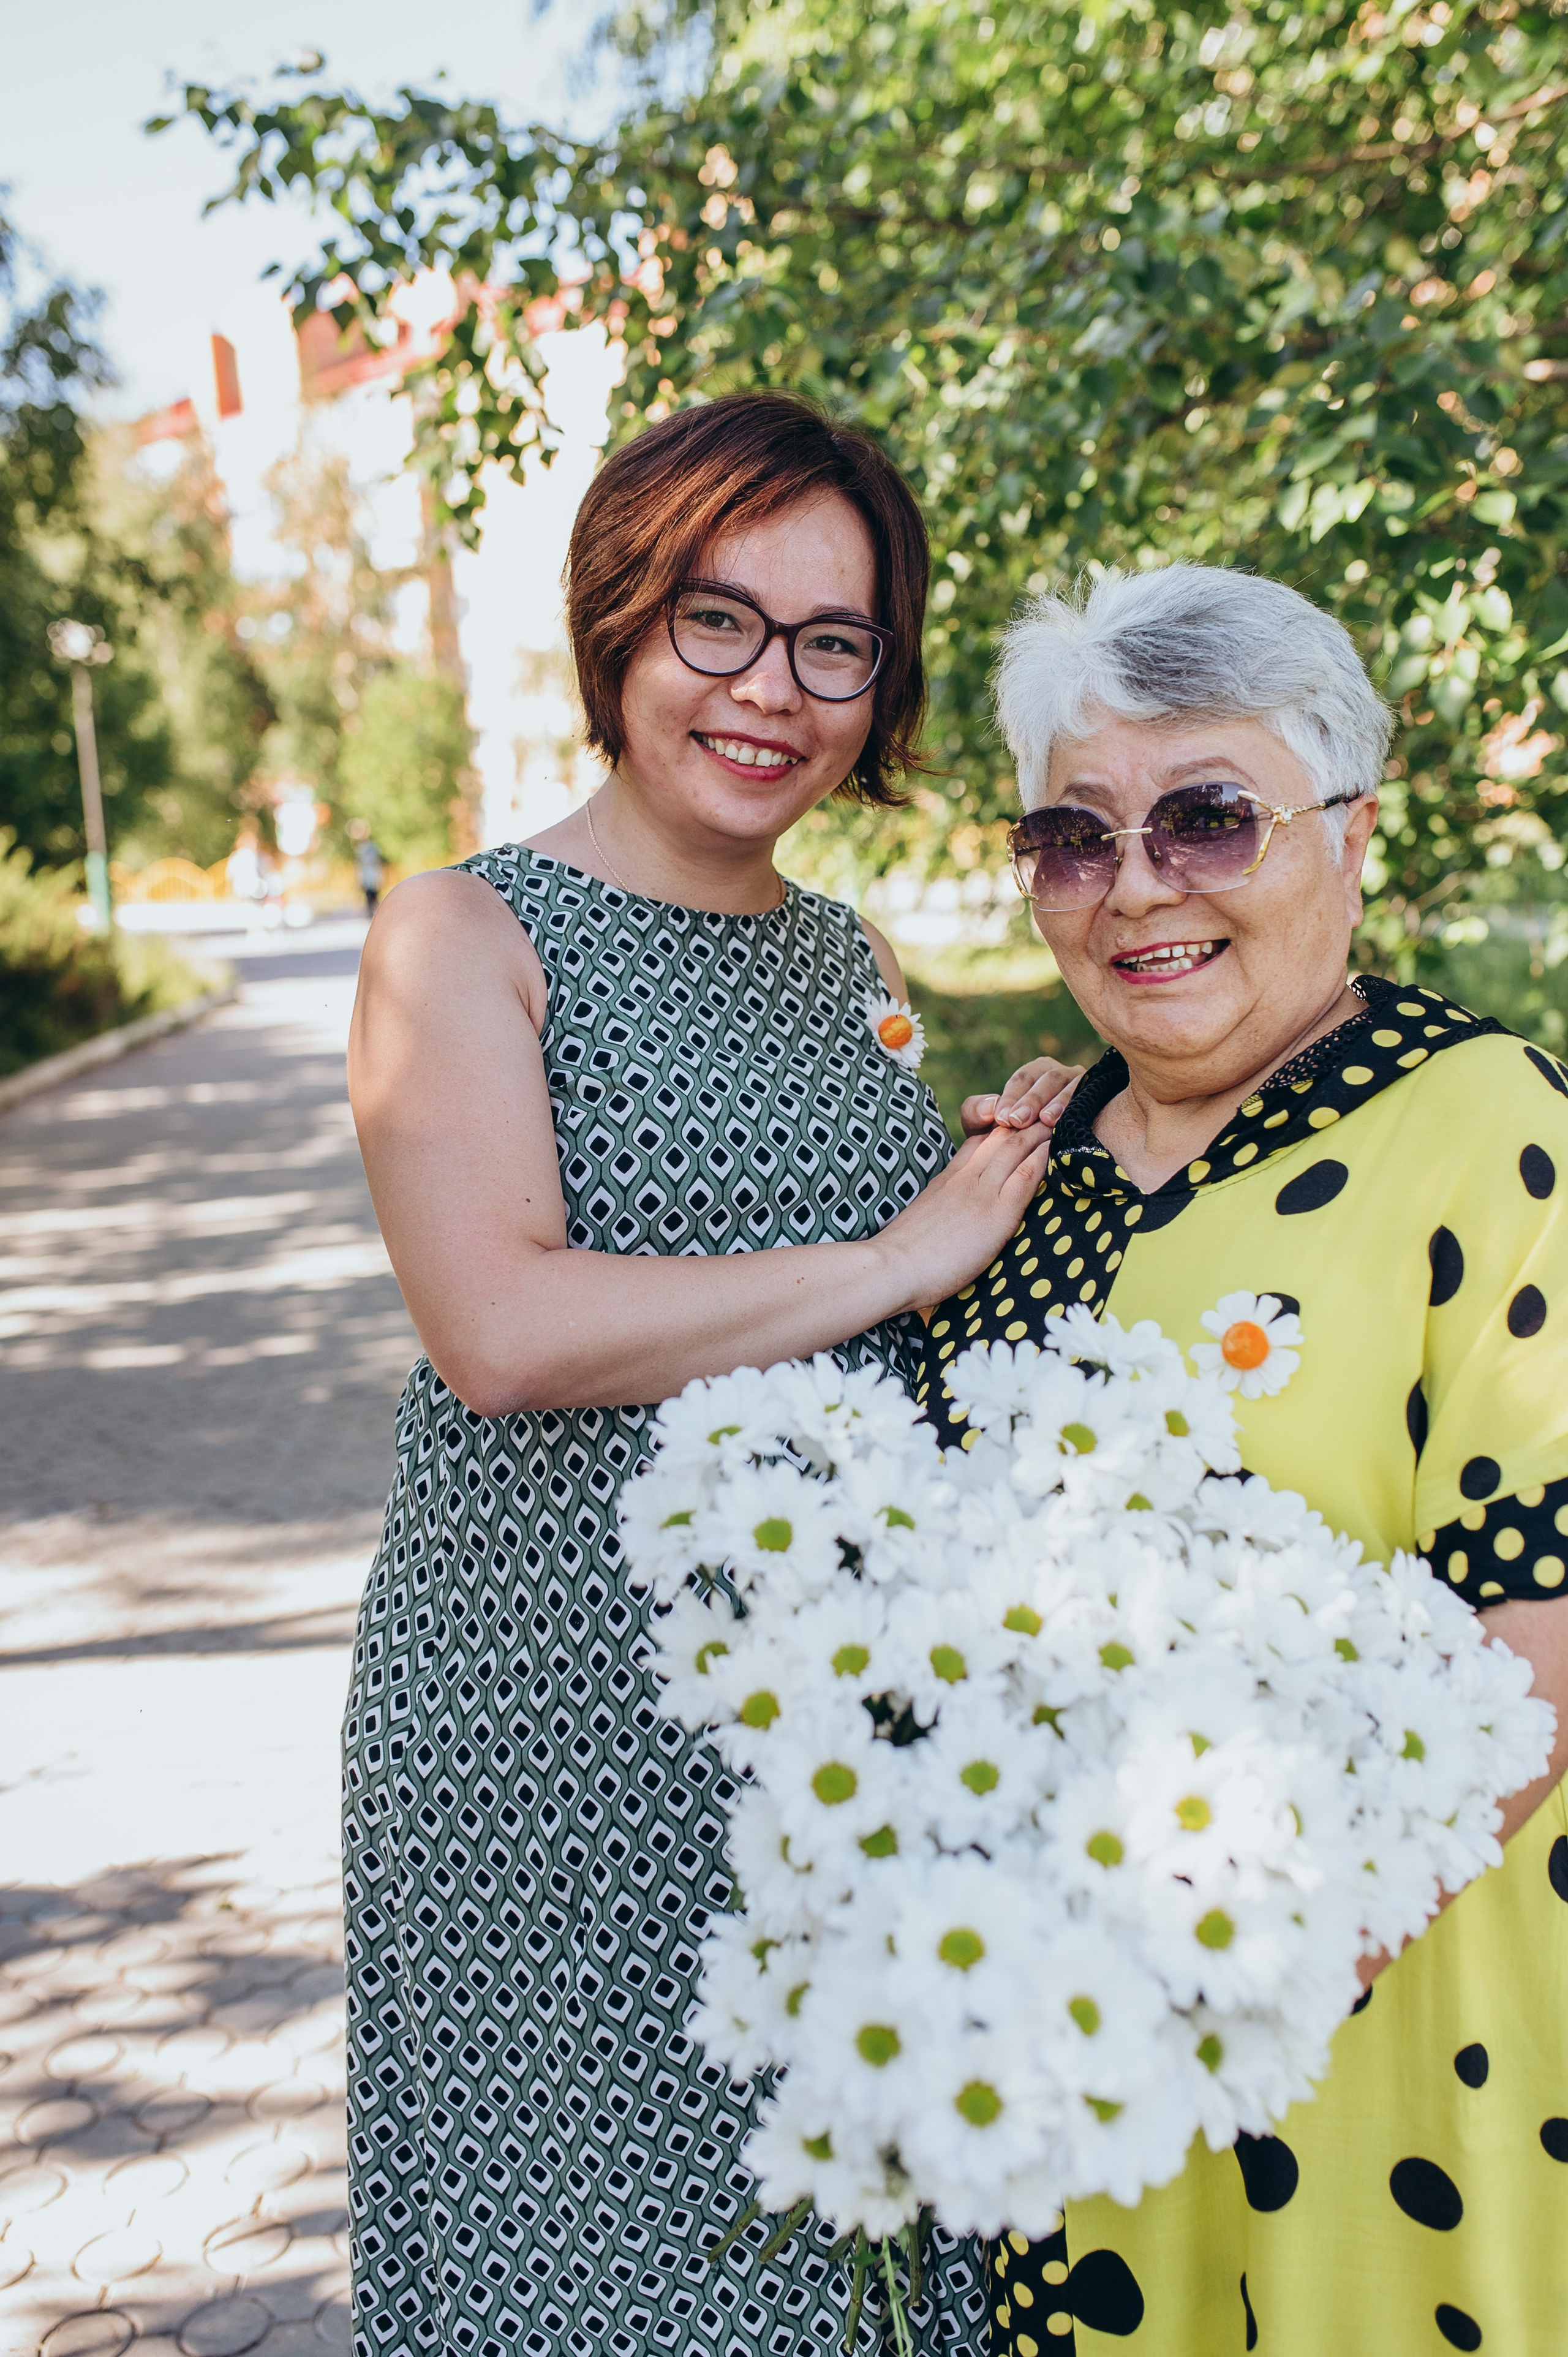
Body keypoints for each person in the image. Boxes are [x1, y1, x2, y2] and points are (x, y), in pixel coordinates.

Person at [342, 391, 1080, 2357]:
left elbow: (867, 1284)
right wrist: (890, 1252)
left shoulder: (841, 951)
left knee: (839, 2261)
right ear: (620, 624)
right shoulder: (464, 932)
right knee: (595, 2271)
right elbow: (497, 1328)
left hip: (835, 1733)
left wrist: (997, 1170)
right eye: (716, 621)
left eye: (834, 641)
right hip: (548, 1727)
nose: (774, 688)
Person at [918, 564, 1568, 2356]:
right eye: (1072, 835)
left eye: (1208, 819)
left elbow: (1541, 1650)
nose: (1134, 887)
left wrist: (1200, 1994)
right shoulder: (1009, 1201)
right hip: (1065, 2094)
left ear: (1348, 832)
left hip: (1384, 2053)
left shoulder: (1492, 1132)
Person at [351, 823, 386, 917]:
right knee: (369, 898)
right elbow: (359, 865)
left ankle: (377, 915)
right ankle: (372, 915)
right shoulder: (360, 849)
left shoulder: (373, 847)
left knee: (374, 897)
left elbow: (377, 862)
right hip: (366, 876)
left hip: (373, 875)